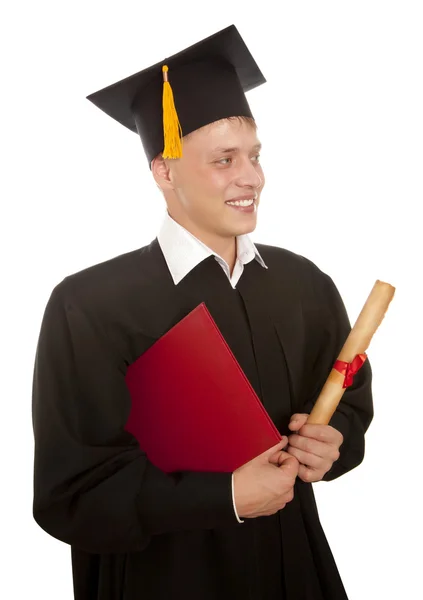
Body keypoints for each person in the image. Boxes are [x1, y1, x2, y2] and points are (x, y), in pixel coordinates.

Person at [31, 24, 373, 600]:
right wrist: (227, 498)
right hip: (159, 582)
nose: (251, 177)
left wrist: (332, 443)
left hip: (293, 570)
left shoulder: (304, 285)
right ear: (164, 171)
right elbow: (71, 496)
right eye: (224, 159)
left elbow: (352, 408)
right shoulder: (90, 305)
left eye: (255, 156)